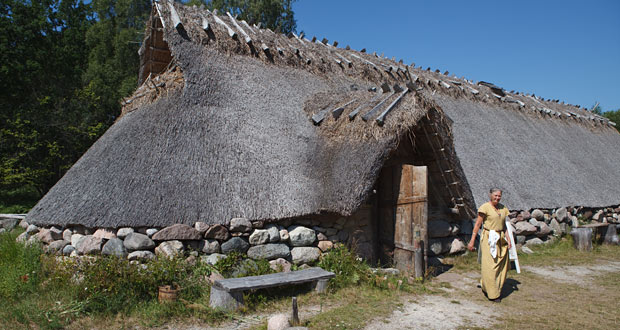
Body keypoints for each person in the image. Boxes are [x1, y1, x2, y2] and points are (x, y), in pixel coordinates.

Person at [467, 188, 511, 302]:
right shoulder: (485, 208)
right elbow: (477, 224)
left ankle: (492, 286)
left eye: (499, 196)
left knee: (502, 265)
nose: (497, 198)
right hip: (488, 238)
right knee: (490, 266)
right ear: (490, 195)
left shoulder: (503, 208)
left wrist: (509, 239)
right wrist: (472, 240)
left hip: (500, 238)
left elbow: (504, 226)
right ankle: (493, 294)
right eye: (495, 195)